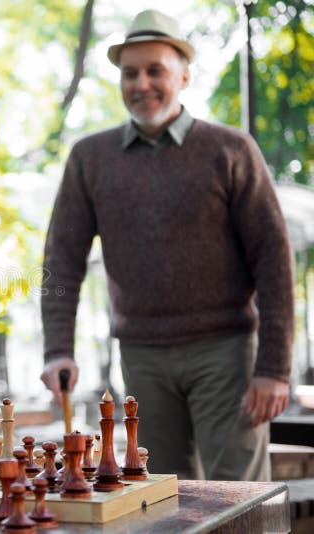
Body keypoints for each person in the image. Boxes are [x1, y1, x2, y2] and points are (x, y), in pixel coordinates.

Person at [39, 9, 294, 481]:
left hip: (226, 353)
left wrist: (274, 367)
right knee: (157, 495)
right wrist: (57, 349)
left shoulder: (231, 150)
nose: (142, 83)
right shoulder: (90, 159)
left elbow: (274, 259)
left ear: (183, 74)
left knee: (235, 496)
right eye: (130, 73)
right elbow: (62, 259)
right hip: (142, 356)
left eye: (155, 69)